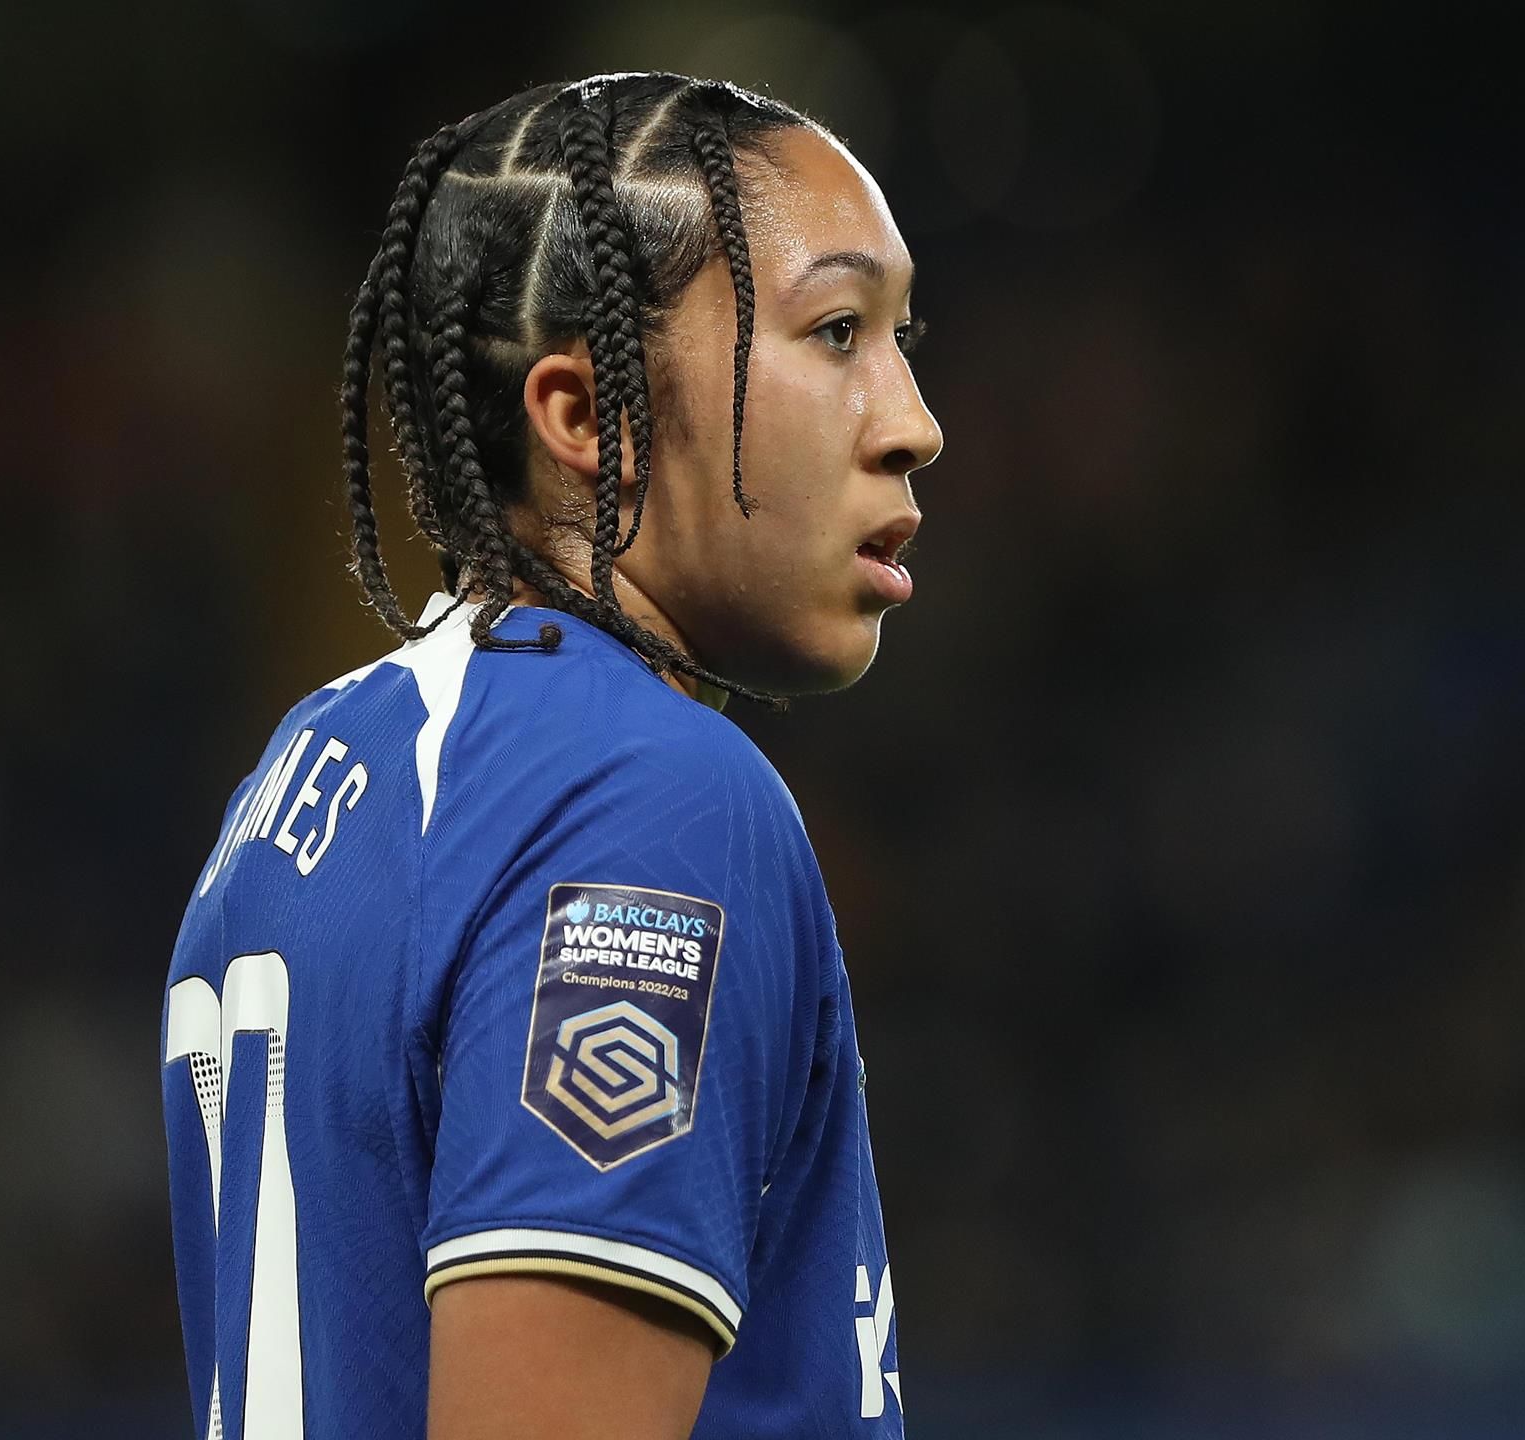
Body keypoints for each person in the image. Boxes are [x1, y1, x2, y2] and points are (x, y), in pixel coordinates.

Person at [159, 71, 942, 1439]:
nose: (911, 422)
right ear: (591, 418)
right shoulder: (648, 797)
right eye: (834, 332)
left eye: (899, 337)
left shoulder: (314, 768)